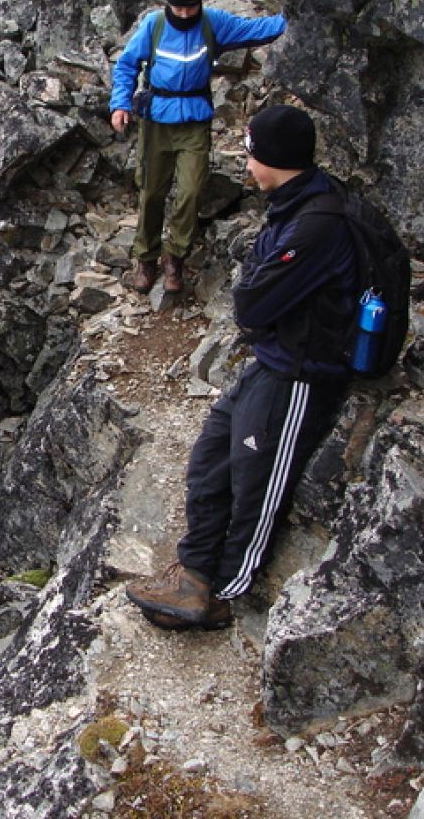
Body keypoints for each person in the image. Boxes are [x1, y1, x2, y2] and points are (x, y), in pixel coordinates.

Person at [126, 105, 357, 630]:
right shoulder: (295, 204)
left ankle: (222, 595)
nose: (246, 165)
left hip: (300, 374)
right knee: (210, 458)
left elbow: (251, 303)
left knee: (257, 481)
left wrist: (256, 294)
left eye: (251, 155)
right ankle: (193, 574)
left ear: (274, 158)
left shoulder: (319, 225)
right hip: (271, 361)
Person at [110, 0, 287, 293]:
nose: (184, 14)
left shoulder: (212, 23)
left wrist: (294, 18)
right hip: (156, 121)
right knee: (151, 191)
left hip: (194, 120)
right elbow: (126, 65)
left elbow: (255, 30)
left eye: (190, 7)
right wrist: (120, 104)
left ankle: (175, 258)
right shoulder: (154, 25)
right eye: (178, 8)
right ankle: (146, 258)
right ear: (168, 4)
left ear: (199, 3)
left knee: (191, 191)